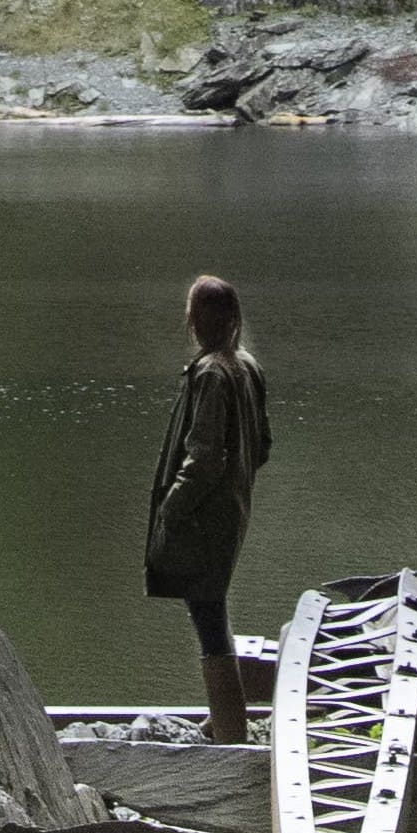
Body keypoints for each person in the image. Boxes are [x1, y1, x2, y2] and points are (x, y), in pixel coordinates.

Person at [142, 271, 271, 739]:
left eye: (191, 313)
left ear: (199, 321)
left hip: (204, 517)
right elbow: (262, 448)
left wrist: (172, 509)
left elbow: (203, 458)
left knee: (208, 614)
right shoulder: (247, 365)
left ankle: (230, 729)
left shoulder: (212, 374)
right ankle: (225, 717)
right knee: (210, 609)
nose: (188, 322)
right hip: (231, 510)